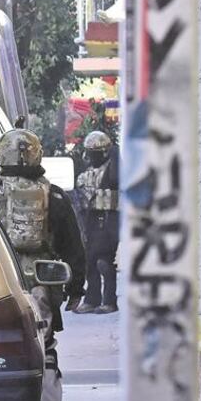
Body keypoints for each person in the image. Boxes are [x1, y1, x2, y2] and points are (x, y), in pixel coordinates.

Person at [0, 128, 86, 401]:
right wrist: (75, 288)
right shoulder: (55, 196)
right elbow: (74, 246)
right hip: (42, 287)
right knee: (46, 354)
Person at [73, 131, 119, 314]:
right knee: (90, 262)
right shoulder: (87, 173)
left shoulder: (113, 169)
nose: (92, 157)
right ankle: (92, 299)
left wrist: (115, 153)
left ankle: (109, 301)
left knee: (104, 262)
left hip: (108, 221)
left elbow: (117, 180)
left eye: (96, 153)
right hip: (89, 221)